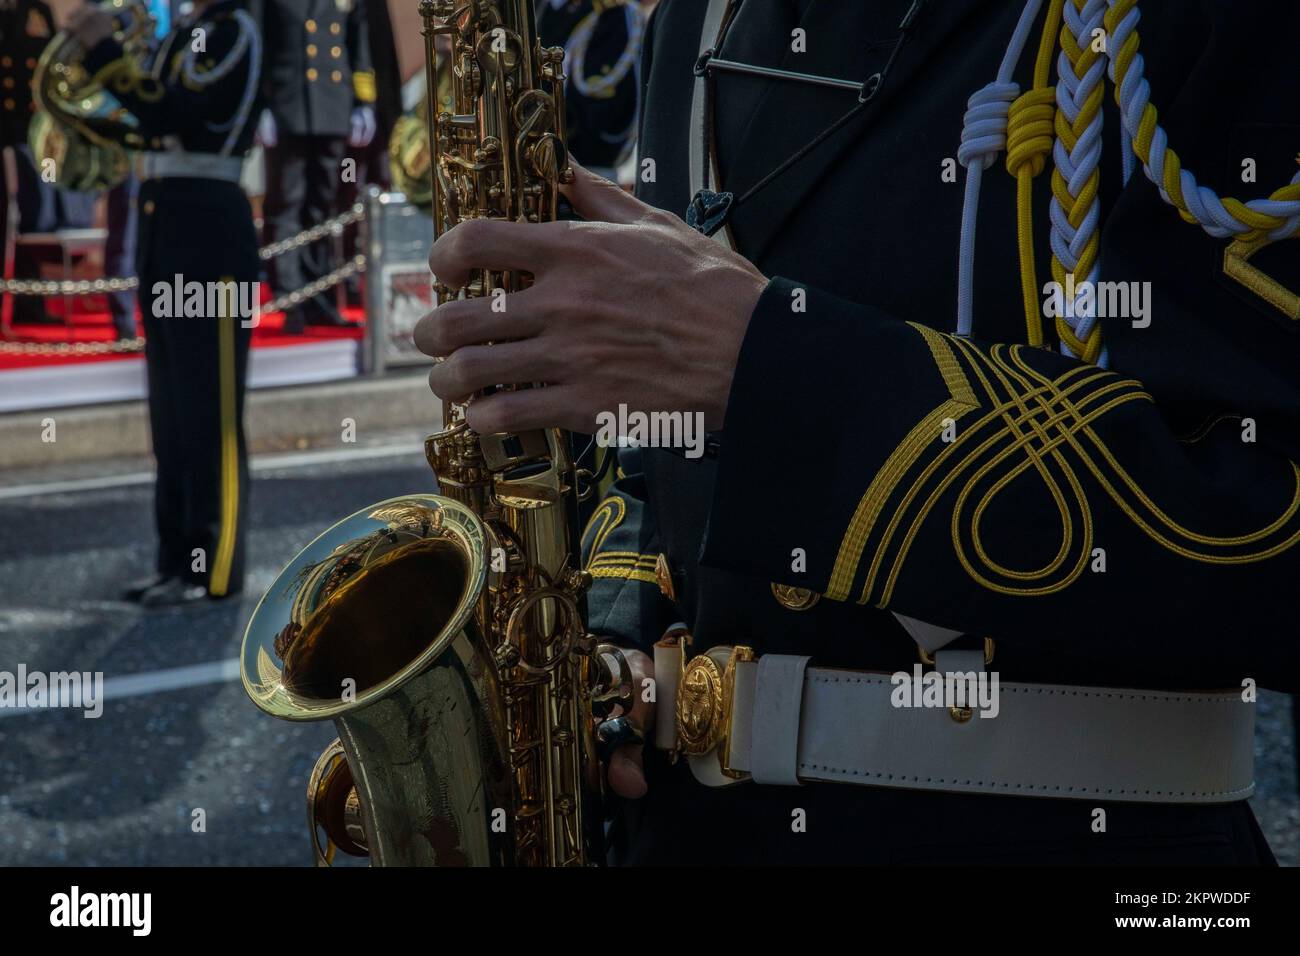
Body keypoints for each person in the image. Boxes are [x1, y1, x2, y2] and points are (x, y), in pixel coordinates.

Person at [413, 0, 1300, 864]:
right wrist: (610, 645)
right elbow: (657, 469)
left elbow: (1272, 536)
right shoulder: (699, 18)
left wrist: (772, 370)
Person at [69, 0, 262, 607]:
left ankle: (217, 567)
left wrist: (104, 53)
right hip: (168, 223)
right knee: (172, 414)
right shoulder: (183, 33)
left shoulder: (232, 31)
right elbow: (147, 122)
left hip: (209, 229)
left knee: (211, 413)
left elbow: (179, 111)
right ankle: (176, 561)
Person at [256, 0, 374, 333]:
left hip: (333, 103)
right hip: (287, 105)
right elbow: (259, 39)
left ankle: (321, 299)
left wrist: (363, 102)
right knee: (286, 204)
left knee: (324, 207)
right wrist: (259, 104)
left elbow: (357, 40)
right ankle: (290, 300)